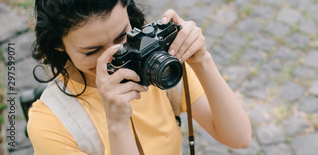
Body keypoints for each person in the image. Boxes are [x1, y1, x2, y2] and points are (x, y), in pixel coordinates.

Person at [27, 0, 252, 154]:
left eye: (122, 37)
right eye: (92, 51)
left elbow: (238, 137)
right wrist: (116, 124)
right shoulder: (50, 124)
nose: (113, 57)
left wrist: (202, 60)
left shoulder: (154, 61)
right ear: (57, 44)